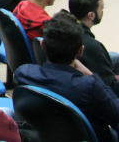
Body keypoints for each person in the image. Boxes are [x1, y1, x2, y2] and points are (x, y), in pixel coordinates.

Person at [14, 11, 119, 142]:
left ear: (43, 46)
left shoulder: (23, 73)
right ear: (80, 51)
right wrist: (92, 75)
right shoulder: (89, 86)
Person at [69, 0, 119, 96]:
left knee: (116, 57)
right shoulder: (91, 46)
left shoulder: (66, 27)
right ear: (91, 15)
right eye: (101, 8)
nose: (102, 11)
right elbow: (110, 87)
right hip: (103, 94)